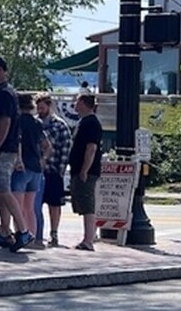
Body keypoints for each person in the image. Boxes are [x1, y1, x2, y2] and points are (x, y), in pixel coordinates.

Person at [0, 55, 33, 252]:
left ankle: (23, 231)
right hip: (4, 151)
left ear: (1, 70)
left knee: (3, 190)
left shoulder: (3, 94)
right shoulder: (4, 93)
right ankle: (5, 232)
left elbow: (5, 121)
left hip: (1, 151)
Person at [11, 93, 52, 249]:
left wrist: (19, 160)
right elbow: (47, 145)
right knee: (30, 207)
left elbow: (18, 141)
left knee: (18, 206)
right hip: (36, 167)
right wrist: (43, 160)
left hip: (22, 167)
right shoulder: (38, 123)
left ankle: (22, 234)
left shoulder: (18, 122)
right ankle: (33, 238)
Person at [35, 93, 72, 248]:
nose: (40, 110)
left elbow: (66, 147)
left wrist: (60, 170)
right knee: (35, 204)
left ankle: (54, 233)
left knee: (54, 204)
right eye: (38, 107)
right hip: (36, 171)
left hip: (53, 169)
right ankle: (36, 233)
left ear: (49, 106)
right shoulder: (35, 123)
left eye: (42, 107)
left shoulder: (60, 125)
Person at [68, 93, 103, 251]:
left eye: (77, 101)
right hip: (79, 169)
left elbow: (91, 148)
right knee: (83, 204)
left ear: (83, 103)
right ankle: (88, 237)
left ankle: (89, 240)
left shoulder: (91, 123)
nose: (75, 104)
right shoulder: (84, 121)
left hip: (87, 171)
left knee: (88, 205)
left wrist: (84, 170)